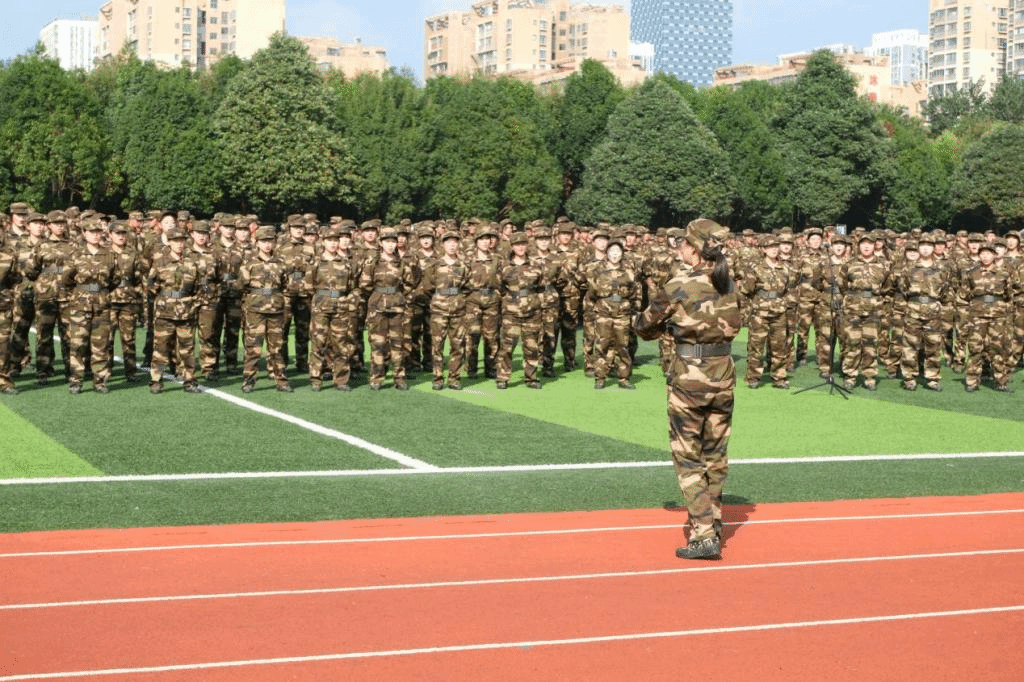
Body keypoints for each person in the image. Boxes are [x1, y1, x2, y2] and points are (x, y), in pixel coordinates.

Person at [635, 218, 740, 560]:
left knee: (688, 457)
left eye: (683, 243)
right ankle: (714, 522)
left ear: (694, 249)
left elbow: (644, 326)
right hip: (722, 374)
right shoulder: (728, 283)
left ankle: (704, 534)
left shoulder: (679, 284)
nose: (680, 248)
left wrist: (670, 327)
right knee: (715, 455)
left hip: (690, 379)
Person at [239, 226, 293, 393]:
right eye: (263, 241)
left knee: (276, 348)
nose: (267, 244)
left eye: (270, 241)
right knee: (253, 348)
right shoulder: (249, 264)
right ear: (257, 243)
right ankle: (248, 381)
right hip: (255, 311)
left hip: (276, 310)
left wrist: (283, 304)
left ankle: (281, 381)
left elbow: (286, 286)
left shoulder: (281, 263)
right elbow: (241, 286)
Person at [146, 227, 201, 394]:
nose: (179, 244)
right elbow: (150, 284)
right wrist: (164, 298)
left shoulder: (192, 263)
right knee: (161, 348)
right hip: (165, 312)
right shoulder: (160, 262)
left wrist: (193, 302)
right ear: (169, 242)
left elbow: (200, 286)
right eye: (176, 241)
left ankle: (189, 381)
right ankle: (156, 380)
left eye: (182, 240)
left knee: (187, 349)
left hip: (186, 312)